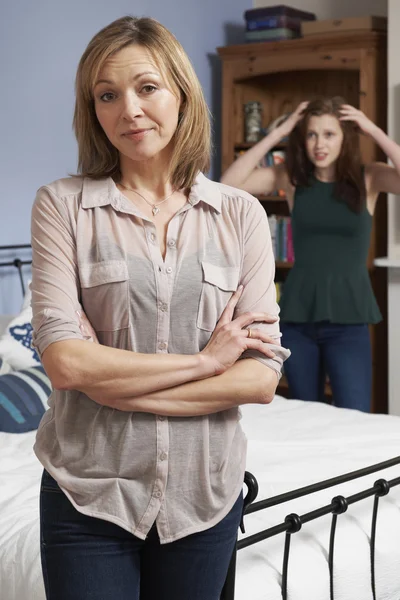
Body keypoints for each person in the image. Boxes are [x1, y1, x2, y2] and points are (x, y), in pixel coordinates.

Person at [31, 16, 289, 600]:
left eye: (147, 87)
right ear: (92, 110)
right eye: (107, 95)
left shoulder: (241, 213)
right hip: (87, 493)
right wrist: (205, 363)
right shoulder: (62, 207)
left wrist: (109, 380)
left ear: (181, 92)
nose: (130, 110)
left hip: (205, 493)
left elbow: (259, 378)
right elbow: (67, 368)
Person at [221, 96, 400, 412]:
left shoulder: (368, 178)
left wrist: (372, 129)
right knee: (303, 413)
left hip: (350, 319)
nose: (320, 143)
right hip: (297, 320)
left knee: (353, 415)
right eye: (311, 134)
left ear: (345, 139)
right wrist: (280, 132)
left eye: (329, 134)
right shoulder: (292, 179)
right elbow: (228, 185)